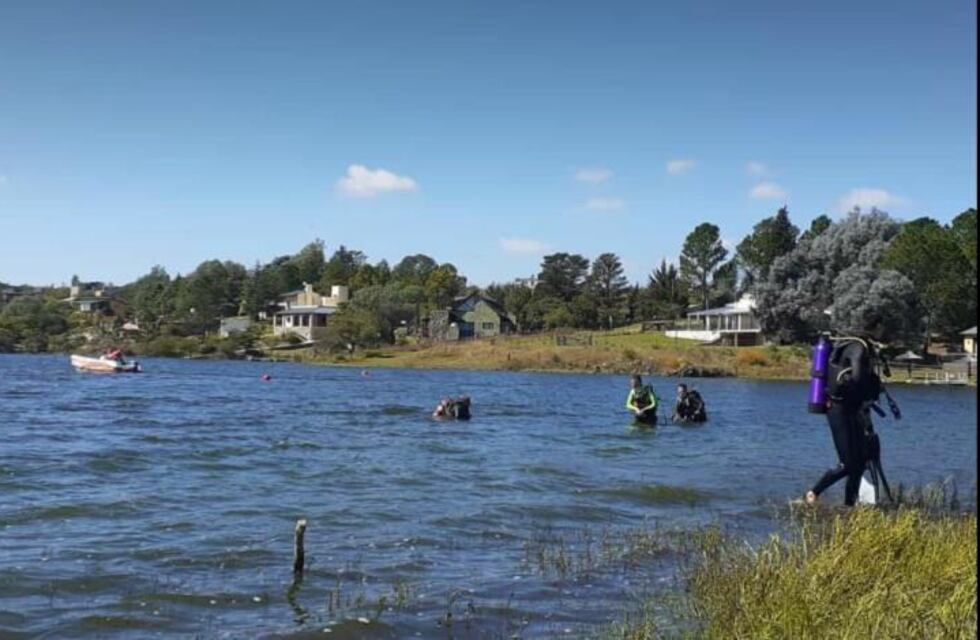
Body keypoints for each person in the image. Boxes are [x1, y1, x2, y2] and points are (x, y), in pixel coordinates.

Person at [806, 334, 892, 506]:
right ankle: (813, 493)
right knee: (847, 464)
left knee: (860, 463)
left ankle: (849, 506)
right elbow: (857, 380)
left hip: (852, 408)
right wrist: (872, 390)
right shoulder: (857, 348)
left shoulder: (854, 346)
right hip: (839, 410)